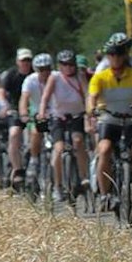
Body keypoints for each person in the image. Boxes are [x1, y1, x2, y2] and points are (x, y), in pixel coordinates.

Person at [87, 33, 132, 202]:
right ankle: (105, 194)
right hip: (109, 120)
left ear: (125, 56)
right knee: (104, 149)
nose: (116, 58)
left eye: (119, 54)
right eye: (112, 54)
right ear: (108, 56)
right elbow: (92, 96)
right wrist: (92, 109)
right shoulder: (100, 76)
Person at [41, 51, 89, 195]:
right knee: (59, 149)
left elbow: (87, 95)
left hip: (77, 116)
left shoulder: (80, 77)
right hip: (59, 117)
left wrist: (90, 112)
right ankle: (58, 185)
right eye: (64, 64)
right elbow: (45, 97)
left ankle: (83, 176)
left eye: (71, 64)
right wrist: (42, 112)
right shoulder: (54, 78)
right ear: (59, 66)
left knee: (78, 141)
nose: (68, 67)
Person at [18, 53, 53, 178]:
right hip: (37, 111)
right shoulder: (30, 80)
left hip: (55, 111)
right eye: (41, 69)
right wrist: (23, 114)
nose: (45, 72)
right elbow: (24, 99)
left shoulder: (56, 78)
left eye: (47, 68)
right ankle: (34, 159)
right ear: (36, 70)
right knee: (35, 131)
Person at [2, 49, 34, 182]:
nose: (25, 63)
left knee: (40, 136)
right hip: (15, 110)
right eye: (23, 60)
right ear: (17, 61)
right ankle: (17, 169)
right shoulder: (11, 75)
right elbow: (2, 92)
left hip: (34, 111)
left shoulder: (36, 74)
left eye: (28, 60)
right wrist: (6, 106)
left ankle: (37, 162)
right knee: (14, 134)